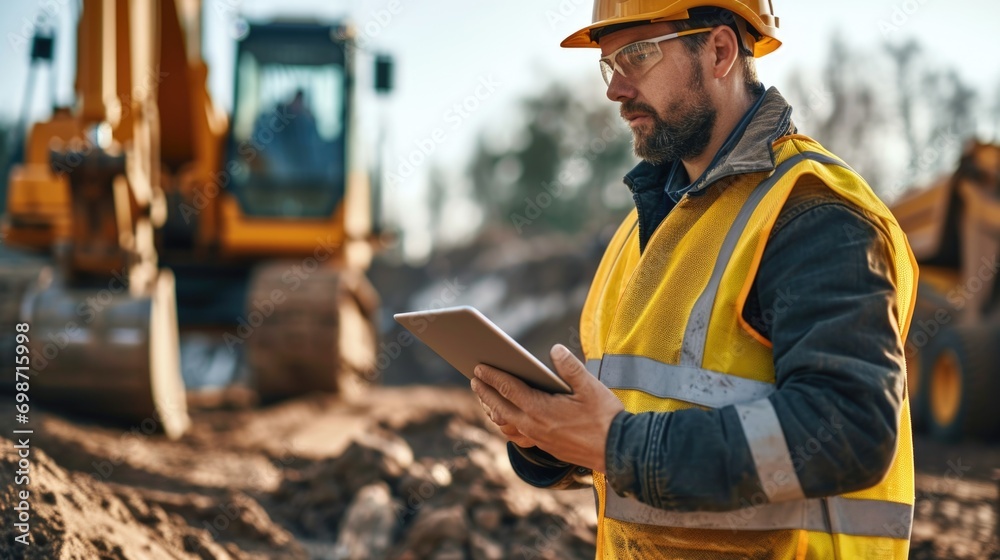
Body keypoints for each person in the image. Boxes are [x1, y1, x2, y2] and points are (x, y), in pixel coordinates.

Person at [470, 1, 918, 558]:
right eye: (609, 65)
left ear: (721, 50)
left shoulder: (811, 215)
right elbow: (640, 413)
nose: (616, 90)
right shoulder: (641, 231)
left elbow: (850, 431)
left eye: (636, 55)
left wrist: (619, 445)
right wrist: (551, 438)